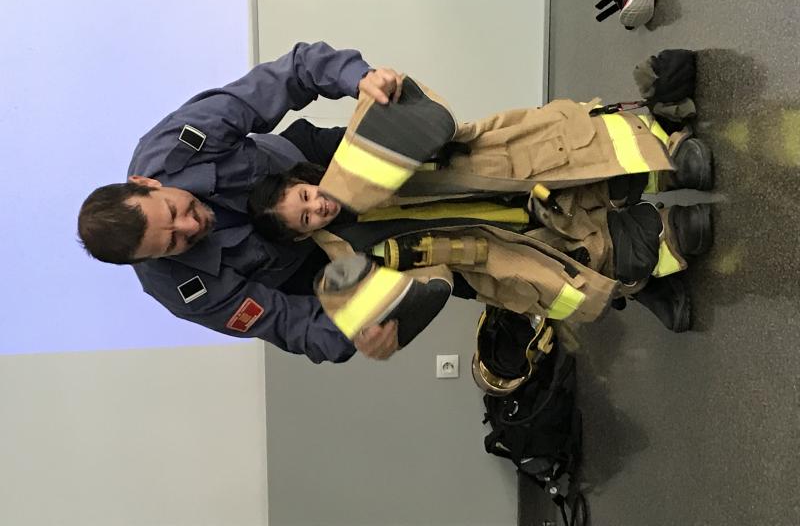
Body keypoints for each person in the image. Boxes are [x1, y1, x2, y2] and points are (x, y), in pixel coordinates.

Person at [247, 73, 714, 359]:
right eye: (305, 218)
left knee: (592, 163)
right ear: (301, 236)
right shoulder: (349, 263)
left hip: (491, 174)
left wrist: (387, 88)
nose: (317, 207)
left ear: (303, 179)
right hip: (493, 246)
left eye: (305, 196)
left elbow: (414, 116)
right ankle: (659, 242)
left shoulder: (345, 159)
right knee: (622, 252)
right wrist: (395, 317)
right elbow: (426, 284)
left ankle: (665, 161)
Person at [77, 41, 405, 363]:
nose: (191, 225)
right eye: (173, 242)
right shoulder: (185, 290)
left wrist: (359, 78)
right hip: (309, 262)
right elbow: (287, 323)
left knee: (406, 138)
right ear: (149, 259)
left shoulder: (178, 141)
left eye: (173, 211)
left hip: (303, 168)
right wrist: (353, 333)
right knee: (404, 284)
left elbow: (291, 73)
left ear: (146, 183)